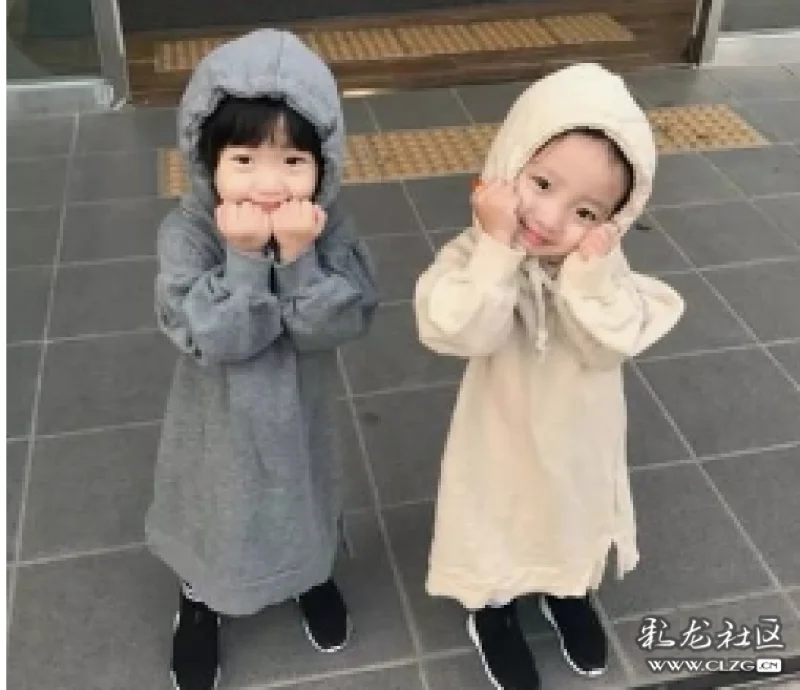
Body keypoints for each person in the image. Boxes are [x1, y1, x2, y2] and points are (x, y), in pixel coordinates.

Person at [413, 63, 685, 690]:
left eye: (586, 210)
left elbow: (607, 345)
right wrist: (497, 250)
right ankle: (493, 607)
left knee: (570, 509)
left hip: (578, 431)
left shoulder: (600, 268)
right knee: (496, 509)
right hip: (500, 426)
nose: (551, 217)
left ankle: (567, 588)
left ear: (613, 221)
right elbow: (456, 330)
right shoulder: (473, 253)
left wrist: (587, 278)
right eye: (540, 183)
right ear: (508, 163)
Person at [145, 28, 378, 690]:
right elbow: (216, 337)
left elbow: (343, 321)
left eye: (294, 160)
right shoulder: (188, 233)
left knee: (301, 487)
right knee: (217, 503)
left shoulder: (327, 226)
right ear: (206, 158)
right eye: (244, 159)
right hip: (217, 417)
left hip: (299, 408)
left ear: (324, 164)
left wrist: (300, 260)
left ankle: (309, 574)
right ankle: (200, 596)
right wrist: (247, 259)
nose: (270, 184)